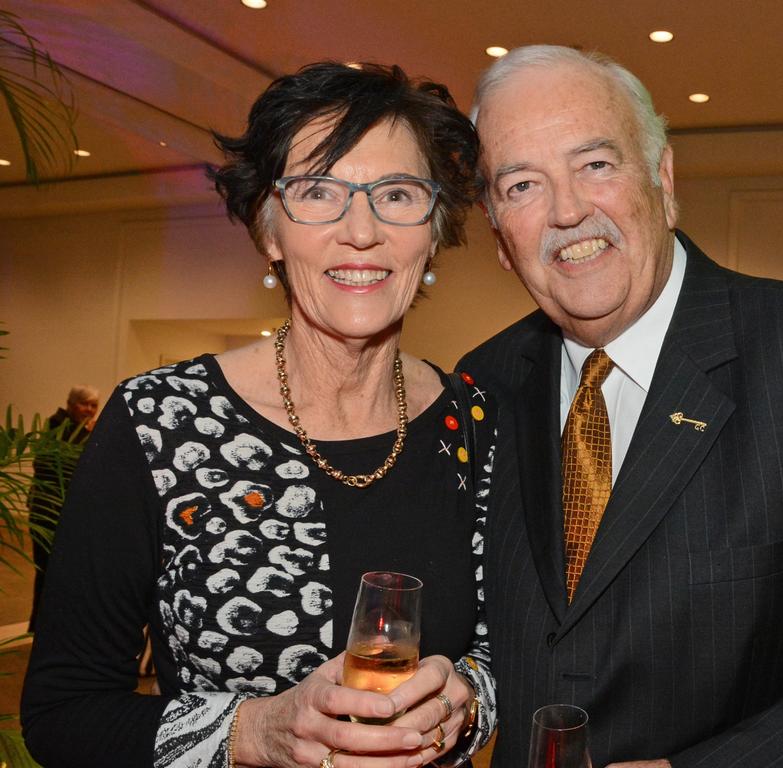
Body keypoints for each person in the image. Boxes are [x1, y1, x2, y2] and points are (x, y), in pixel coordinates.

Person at [459, 45, 783, 768]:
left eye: (596, 165)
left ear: (664, 181)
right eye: (522, 185)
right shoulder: (483, 383)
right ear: (497, 233)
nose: (568, 210)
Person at [22, 62, 495, 768]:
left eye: (396, 194)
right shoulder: (159, 423)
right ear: (269, 232)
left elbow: (511, 651)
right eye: (317, 193)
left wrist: (468, 700)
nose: (359, 231)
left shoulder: (474, 422)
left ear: (433, 231)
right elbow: (63, 713)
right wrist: (257, 733)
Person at [26, 385, 99, 632]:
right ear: (70, 404)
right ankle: (41, 627)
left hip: (68, 514)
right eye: (84, 404)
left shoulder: (83, 431)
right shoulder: (56, 426)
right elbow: (55, 468)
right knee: (49, 573)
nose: (88, 410)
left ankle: (52, 626)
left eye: (93, 405)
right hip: (48, 513)